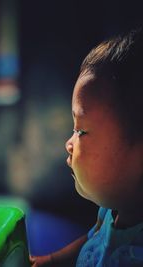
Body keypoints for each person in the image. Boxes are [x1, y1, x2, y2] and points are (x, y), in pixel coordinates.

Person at [30, 28, 143, 266]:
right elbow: (94, 239)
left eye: (80, 130)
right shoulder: (112, 211)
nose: (68, 144)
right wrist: (52, 260)